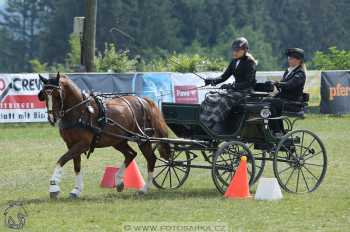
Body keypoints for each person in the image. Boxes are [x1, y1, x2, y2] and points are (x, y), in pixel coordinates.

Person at [200, 37, 258, 134]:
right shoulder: (234, 61)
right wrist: (211, 81)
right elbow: (224, 76)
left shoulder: (250, 62)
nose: (235, 52)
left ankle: (218, 125)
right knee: (211, 97)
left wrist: (232, 86)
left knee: (223, 100)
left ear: (245, 50)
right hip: (235, 91)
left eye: (238, 50)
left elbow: (249, 82)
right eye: (234, 50)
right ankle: (205, 122)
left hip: (246, 92)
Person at [268, 48, 307, 133]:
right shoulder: (288, 71)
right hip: (284, 100)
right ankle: (274, 129)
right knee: (266, 101)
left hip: (292, 102)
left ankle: (277, 131)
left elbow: (290, 85)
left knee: (272, 104)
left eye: (291, 58)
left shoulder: (300, 73)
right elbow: (283, 85)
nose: (289, 59)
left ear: (299, 60)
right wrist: (276, 84)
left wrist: (278, 83)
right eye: (289, 57)